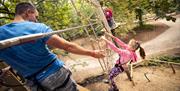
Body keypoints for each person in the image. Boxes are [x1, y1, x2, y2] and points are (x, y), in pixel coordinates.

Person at [0, 2, 105, 91]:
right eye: (35, 17)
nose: (36, 20)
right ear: (28, 12)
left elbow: (21, 53)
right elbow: (67, 46)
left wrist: (10, 67)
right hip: (55, 75)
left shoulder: (1, 34)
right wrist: (91, 53)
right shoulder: (37, 28)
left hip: (34, 83)